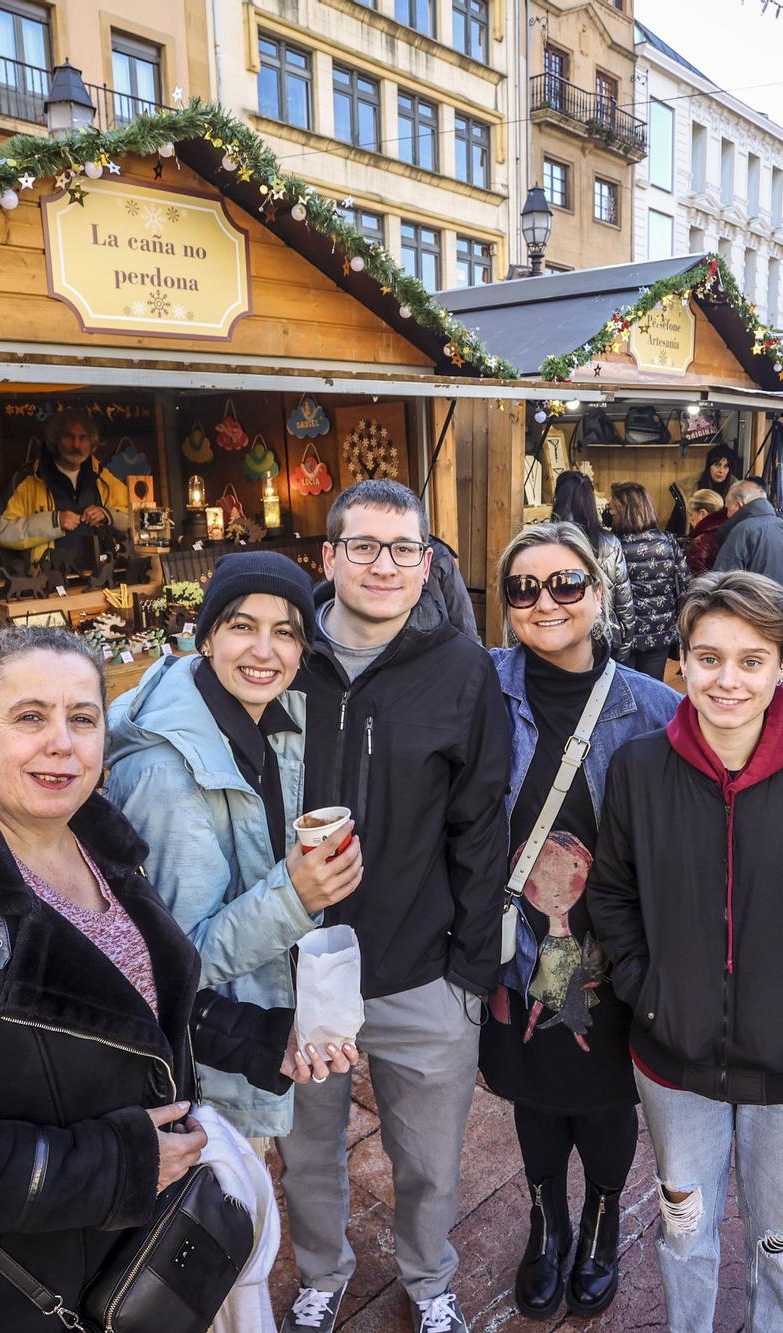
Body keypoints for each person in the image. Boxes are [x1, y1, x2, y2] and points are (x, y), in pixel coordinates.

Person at [0, 627, 347, 1333]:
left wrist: (261, 1040)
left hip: (127, 1264)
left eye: (82, 718)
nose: (62, 741)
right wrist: (116, 1166)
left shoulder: (99, 848)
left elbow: (126, 1009)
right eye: (30, 716)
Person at [590, 571, 783, 1333]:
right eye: (709, 657)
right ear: (681, 659)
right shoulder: (639, 769)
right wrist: (647, 991)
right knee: (685, 1230)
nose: (728, 679)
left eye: (752, 659)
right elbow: (612, 895)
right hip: (674, 1059)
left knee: (780, 1247)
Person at [282, 480, 509, 1333]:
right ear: (330, 557)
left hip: (422, 967)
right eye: (365, 546)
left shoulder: (460, 667)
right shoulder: (280, 657)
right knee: (309, 1150)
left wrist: (470, 968)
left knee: (429, 1161)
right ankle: (321, 1272)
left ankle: (428, 1277)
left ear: (425, 565)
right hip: (301, 965)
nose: (385, 564)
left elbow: (482, 823)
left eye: (404, 549)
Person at [480, 521, 682, 1322]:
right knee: (533, 1090)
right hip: (517, 949)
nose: (546, 601)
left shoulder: (655, 705)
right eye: (524, 587)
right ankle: (547, 1219)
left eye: (566, 582)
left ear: (599, 592)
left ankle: (599, 1220)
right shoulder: (480, 688)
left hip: (613, 954)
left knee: (602, 1095)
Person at [106, 552, 365, 1147]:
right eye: (242, 626)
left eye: (285, 632)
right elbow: (175, 961)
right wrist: (296, 896)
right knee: (222, 1219)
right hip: (203, 1069)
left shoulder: (275, 720)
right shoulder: (166, 774)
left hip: (260, 1020)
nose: (263, 651)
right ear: (206, 638)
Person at [0, 410, 131, 579]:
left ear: (92, 443)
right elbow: (0, 531)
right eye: (69, 436)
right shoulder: (28, 480)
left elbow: (137, 521)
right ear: (55, 440)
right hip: (46, 583)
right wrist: (53, 521)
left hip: (98, 580)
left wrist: (109, 515)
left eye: (83, 437)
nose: (76, 445)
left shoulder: (104, 479)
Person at [607, 482, 688, 679]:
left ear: (623, 512)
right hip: (659, 633)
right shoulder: (668, 541)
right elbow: (686, 584)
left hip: (623, 635)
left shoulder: (611, 545)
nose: (609, 512)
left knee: (623, 690)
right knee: (653, 689)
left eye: (612, 508)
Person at [552, 471, 635, 656]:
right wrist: (625, 644)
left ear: (558, 497)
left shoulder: (547, 541)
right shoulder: (609, 542)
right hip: (601, 635)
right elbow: (623, 598)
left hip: (556, 632)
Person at [714, 477, 783, 600]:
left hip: (751, 616)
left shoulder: (741, 532)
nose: (728, 515)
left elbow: (723, 586)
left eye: (728, 508)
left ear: (738, 505)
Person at [669, 444, 742, 536]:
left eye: (726, 466)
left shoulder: (735, 492)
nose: (721, 471)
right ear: (709, 466)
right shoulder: (689, 489)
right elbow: (675, 524)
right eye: (717, 465)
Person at [685, 488, 729, 576]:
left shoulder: (700, 542)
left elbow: (695, 579)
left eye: (690, 514)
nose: (689, 520)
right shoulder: (733, 531)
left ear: (702, 514)